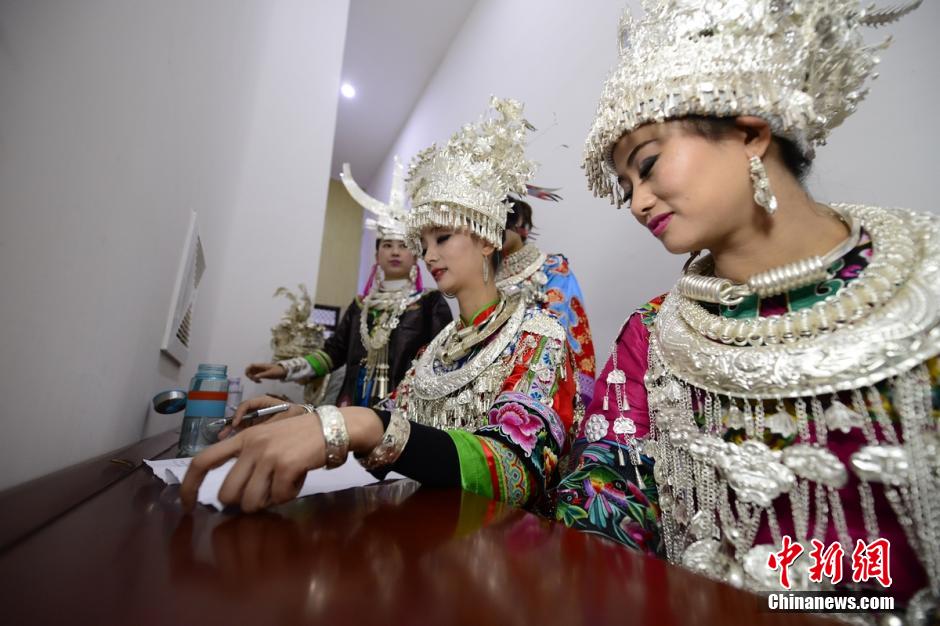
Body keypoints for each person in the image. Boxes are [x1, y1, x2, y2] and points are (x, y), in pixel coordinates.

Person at [555, 0, 937, 619]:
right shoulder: (651, 336)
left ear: (750, 132)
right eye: (625, 186)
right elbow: (605, 487)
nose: (637, 202)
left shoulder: (927, 279)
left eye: (648, 165)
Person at [182, 97, 579, 515]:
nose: (428, 256)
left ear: (486, 239)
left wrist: (365, 425)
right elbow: (387, 418)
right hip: (420, 532)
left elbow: (515, 471)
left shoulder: (538, 338)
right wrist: (305, 415)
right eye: (422, 245)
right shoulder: (436, 350)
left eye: (442, 239)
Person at [244, 158, 452, 407]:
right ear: (377, 256)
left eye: (403, 246)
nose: (395, 252)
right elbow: (332, 354)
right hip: (353, 401)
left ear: (416, 255)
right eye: (387, 245)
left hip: (405, 406)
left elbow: (442, 359)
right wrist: (282, 368)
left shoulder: (429, 303)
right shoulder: (359, 306)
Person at [498, 194, 596, 404]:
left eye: (504, 221)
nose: (497, 229)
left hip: (544, 375)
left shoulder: (552, 268)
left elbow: (561, 326)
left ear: (521, 224)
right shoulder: (484, 277)